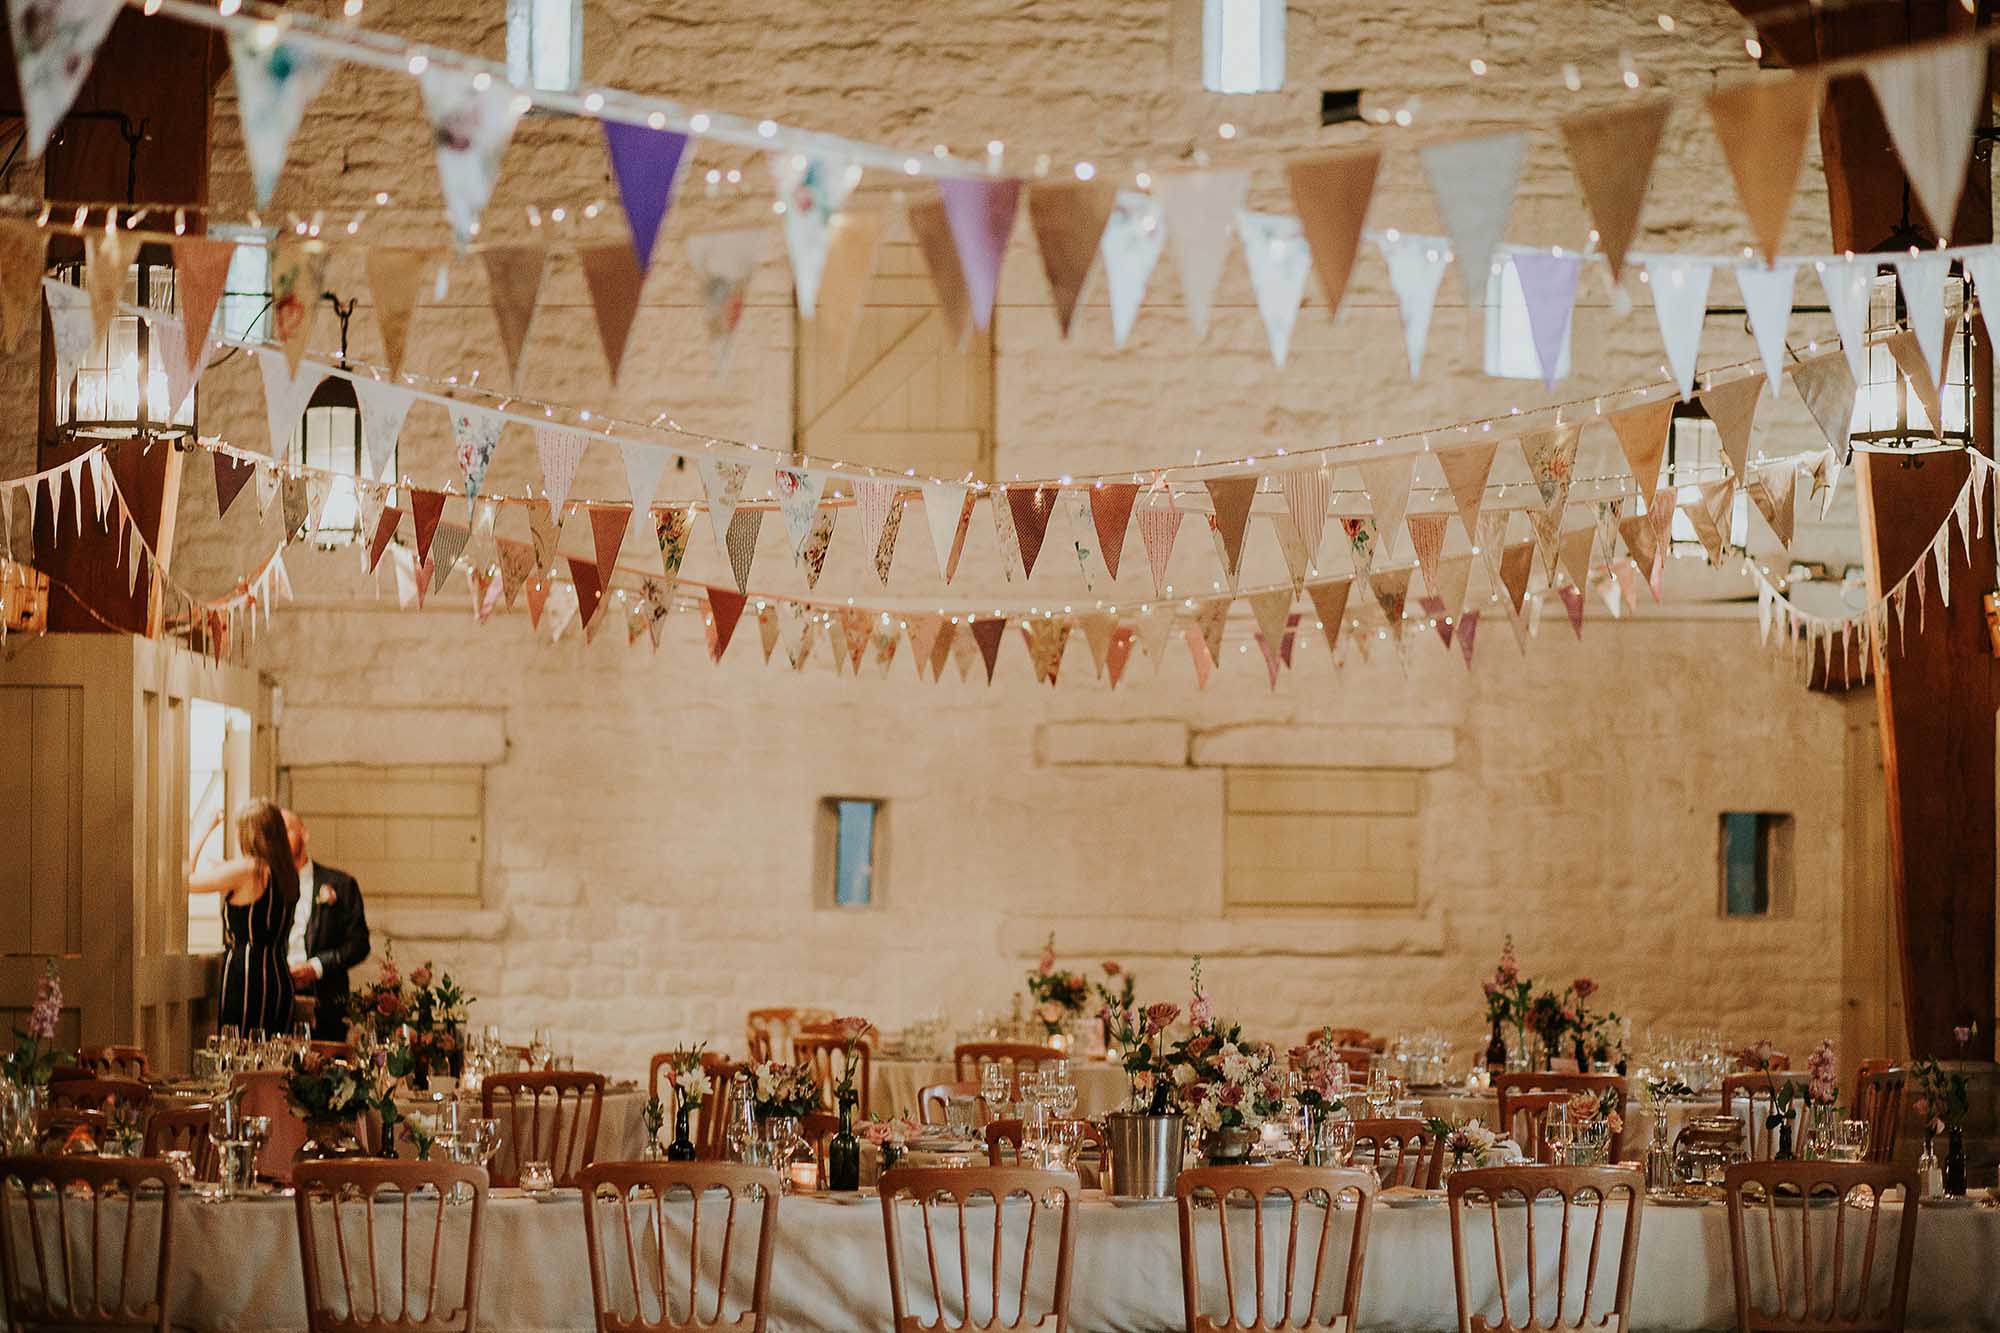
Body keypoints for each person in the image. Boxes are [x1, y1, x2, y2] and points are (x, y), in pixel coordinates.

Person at [186, 797, 298, 1037]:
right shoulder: (286, 872)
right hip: (279, 977)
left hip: (247, 975)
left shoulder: (249, 869)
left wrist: (205, 829)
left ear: (249, 833)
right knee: (276, 1059)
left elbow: (187, 880)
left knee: (240, 1050)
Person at [282, 809, 371, 1042]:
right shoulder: (265, 886)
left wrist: (317, 967)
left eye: (287, 830)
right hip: (278, 998)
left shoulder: (340, 884)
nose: (280, 839)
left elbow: (359, 944)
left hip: (325, 1002)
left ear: (304, 833)